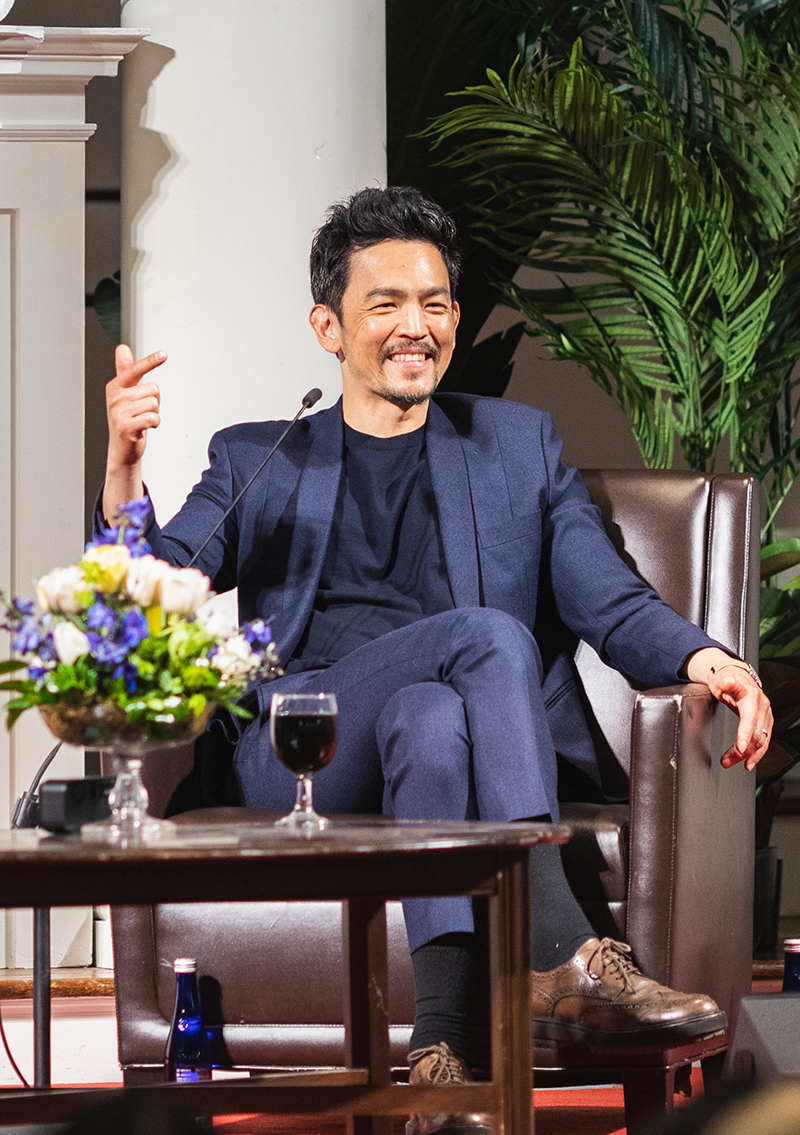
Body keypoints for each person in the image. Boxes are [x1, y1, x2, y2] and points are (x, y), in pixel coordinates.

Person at [100, 186, 772, 1134]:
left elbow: (603, 592)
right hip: (303, 750)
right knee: (485, 634)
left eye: (437, 303)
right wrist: (124, 468)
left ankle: (440, 1060)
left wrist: (708, 659)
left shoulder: (514, 446)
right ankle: (564, 947)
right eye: (387, 304)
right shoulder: (265, 454)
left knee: (433, 714)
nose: (418, 326)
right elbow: (151, 591)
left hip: (439, 743)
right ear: (328, 326)